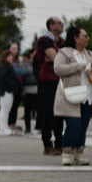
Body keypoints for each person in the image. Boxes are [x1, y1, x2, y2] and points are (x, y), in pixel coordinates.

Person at [53, 26, 92, 166]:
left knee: (83, 126)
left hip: (88, 96)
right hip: (71, 95)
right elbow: (57, 69)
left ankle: (79, 153)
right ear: (76, 38)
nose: (88, 38)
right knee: (74, 125)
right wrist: (78, 66)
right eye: (85, 36)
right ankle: (67, 153)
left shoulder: (89, 54)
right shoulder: (64, 53)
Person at [36, 17, 65, 155]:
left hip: (61, 81)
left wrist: (59, 58)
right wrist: (58, 58)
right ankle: (47, 144)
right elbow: (56, 59)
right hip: (48, 81)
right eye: (59, 23)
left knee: (60, 113)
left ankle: (59, 143)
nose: (62, 25)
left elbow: (65, 58)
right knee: (48, 112)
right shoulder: (44, 40)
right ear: (51, 26)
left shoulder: (62, 42)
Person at [0, 49, 21, 136]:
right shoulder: (3, 66)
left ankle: (5, 127)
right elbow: (2, 78)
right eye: (10, 56)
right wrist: (12, 85)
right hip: (5, 91)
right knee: (4, 110)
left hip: (9, 91)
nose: (12, 58)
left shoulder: (8, 66)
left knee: (7, 110)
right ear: (5, 57)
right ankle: (3, 128)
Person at [7, 42, 27, 132]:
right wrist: (19, 69)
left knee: (16, 105)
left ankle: (13, 124)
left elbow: (23, 72)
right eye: (13, 48)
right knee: (10, 106)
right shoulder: (8, 59)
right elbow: (15, 72)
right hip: (11, 86)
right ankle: (8, 124)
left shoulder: (18, 60)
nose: (15, 50)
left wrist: (19, 69)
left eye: (16, 48)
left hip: (19, 85)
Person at [19, 50, 38, 134]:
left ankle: (38, 127)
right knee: (27, 110)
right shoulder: (25, 64)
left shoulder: (39, 63)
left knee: (38, 110)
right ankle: (28, 128)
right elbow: (22, 76)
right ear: (30, 55)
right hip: (27, 89)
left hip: (37, 89)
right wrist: (22, 89)